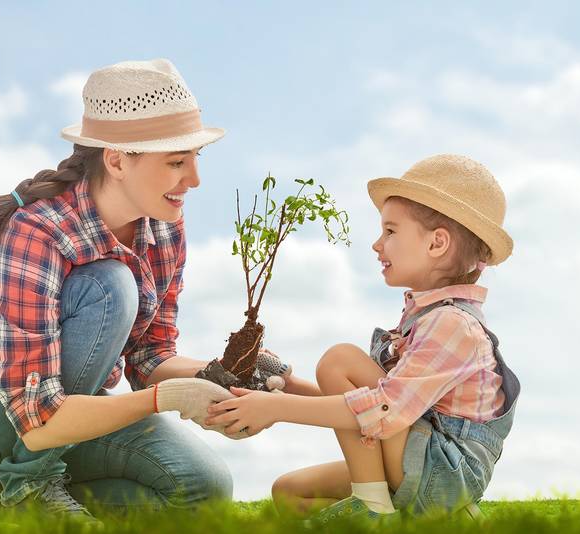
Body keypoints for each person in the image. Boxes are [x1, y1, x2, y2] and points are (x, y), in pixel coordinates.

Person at [0, 58, 310, 523]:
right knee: (107, 285)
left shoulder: (163, 228)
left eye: (196, 159)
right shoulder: (37, 229)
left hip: (61, 405)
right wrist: (168, 399)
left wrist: (223, 373)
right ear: (116, 159)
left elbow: (150, 359)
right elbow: (36, 418)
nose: (194, 180)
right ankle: (29, 489)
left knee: (203, 488)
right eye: (177, 162)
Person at [205, 154, 521, 523]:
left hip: (442, 471)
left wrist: (274, 408)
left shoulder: (453, 325)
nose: (377, 244)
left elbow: (382, 409)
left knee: (340, 359)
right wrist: (289, 388)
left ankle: (373, 507)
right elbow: (364, 409)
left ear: (437, 244)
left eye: (390, 231)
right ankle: (431, 520)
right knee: (289, 493)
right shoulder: (424, 318)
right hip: (416, 457)